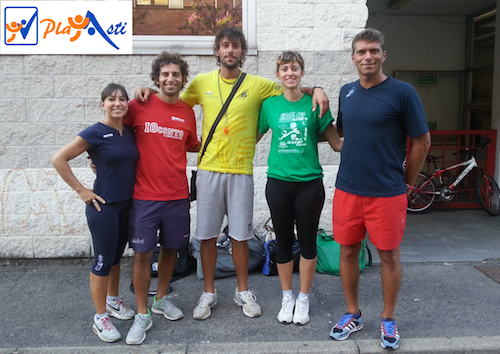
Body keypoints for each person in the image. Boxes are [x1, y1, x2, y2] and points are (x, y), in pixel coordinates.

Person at [135, 27, 330, 321]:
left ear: (242, 52)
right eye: (225, 45)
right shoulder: (201, 82)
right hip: (209, 169)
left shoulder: (258, 85)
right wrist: (148, 92)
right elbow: (171, 99)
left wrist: (317, 89)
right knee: (207, 236)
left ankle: (243, 290)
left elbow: (291, 86)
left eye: (236, 46)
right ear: (217, 51)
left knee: (240, 235)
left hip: (241, 171)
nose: (230, 50)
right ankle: (209, 292)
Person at [328, 28, 431, 350]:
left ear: (383, 54)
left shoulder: (402, 92)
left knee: (388, 255)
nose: (367, 56)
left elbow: (421, 142)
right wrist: (312, 89)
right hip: (348, 189)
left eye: (373, 50)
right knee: (347, 250)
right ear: (354, 57)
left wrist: (407, 183)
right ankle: (352, 313)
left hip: (387, 193)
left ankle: (388, 318)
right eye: (361, 51)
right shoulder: (347, 92)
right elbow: (343, 136)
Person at [258, 51, 342, 326]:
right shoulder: (269, 106)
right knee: (282, 243)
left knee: (307, 242)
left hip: (309, 185)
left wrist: (374, 138)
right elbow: (250, 136)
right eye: (284, 68)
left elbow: (337, 143)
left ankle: (303, 298)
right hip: (278, 183)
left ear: (302, 73)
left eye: (295, 68)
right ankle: (287, 297)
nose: (290, 73)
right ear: (278, 74)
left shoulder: (315, 105)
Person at [52, 83, 139, 343]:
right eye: (111, 99)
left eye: (122, 99)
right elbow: (59, 159)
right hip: (104, 207)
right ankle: (100, 317)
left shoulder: (130, 132)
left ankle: (113, 301)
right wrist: (81, 190)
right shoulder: (95, 132)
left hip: (127, 205)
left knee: (115, 257)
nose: (117, 103)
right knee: (102, 261)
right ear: (103, 104)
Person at [124, 52, 200, 345]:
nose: (170, 79)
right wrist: (100, 159)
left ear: (183, 79)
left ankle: (162, 298)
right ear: (156, 78)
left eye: (176, 74)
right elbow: (114, 128)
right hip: (144, 196)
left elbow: (193, 144)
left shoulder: (187, 112)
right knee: (142, 254)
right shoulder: (139, 105)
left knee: (172, 249)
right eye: (165, 74)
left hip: (177, 195)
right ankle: (142, 312)